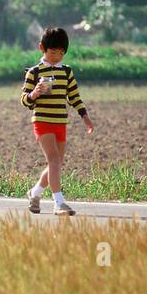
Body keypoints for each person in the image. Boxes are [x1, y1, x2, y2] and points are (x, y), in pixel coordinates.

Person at [21, 27, 95, 216]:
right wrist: (35, 93)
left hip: (60, 122)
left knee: (57, 163)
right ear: (42, 49)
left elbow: (74, 96)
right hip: (42, 121)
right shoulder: (34, 72)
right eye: (53, 52)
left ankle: (35, 193)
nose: (56, 57)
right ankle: (59, 203)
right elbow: (24, 100)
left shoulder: (67, 72)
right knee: (54, 159)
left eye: (61, 53)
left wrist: (85, 117)